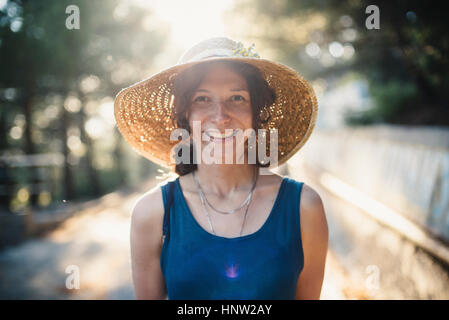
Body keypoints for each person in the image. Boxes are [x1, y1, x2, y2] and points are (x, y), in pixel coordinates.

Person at [114, 37, 328, 300]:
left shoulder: (304, 207)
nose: (220, 116)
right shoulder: (153, 213)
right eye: (202, 99)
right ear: (185, 116)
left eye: (237, 97)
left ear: (256, 113)